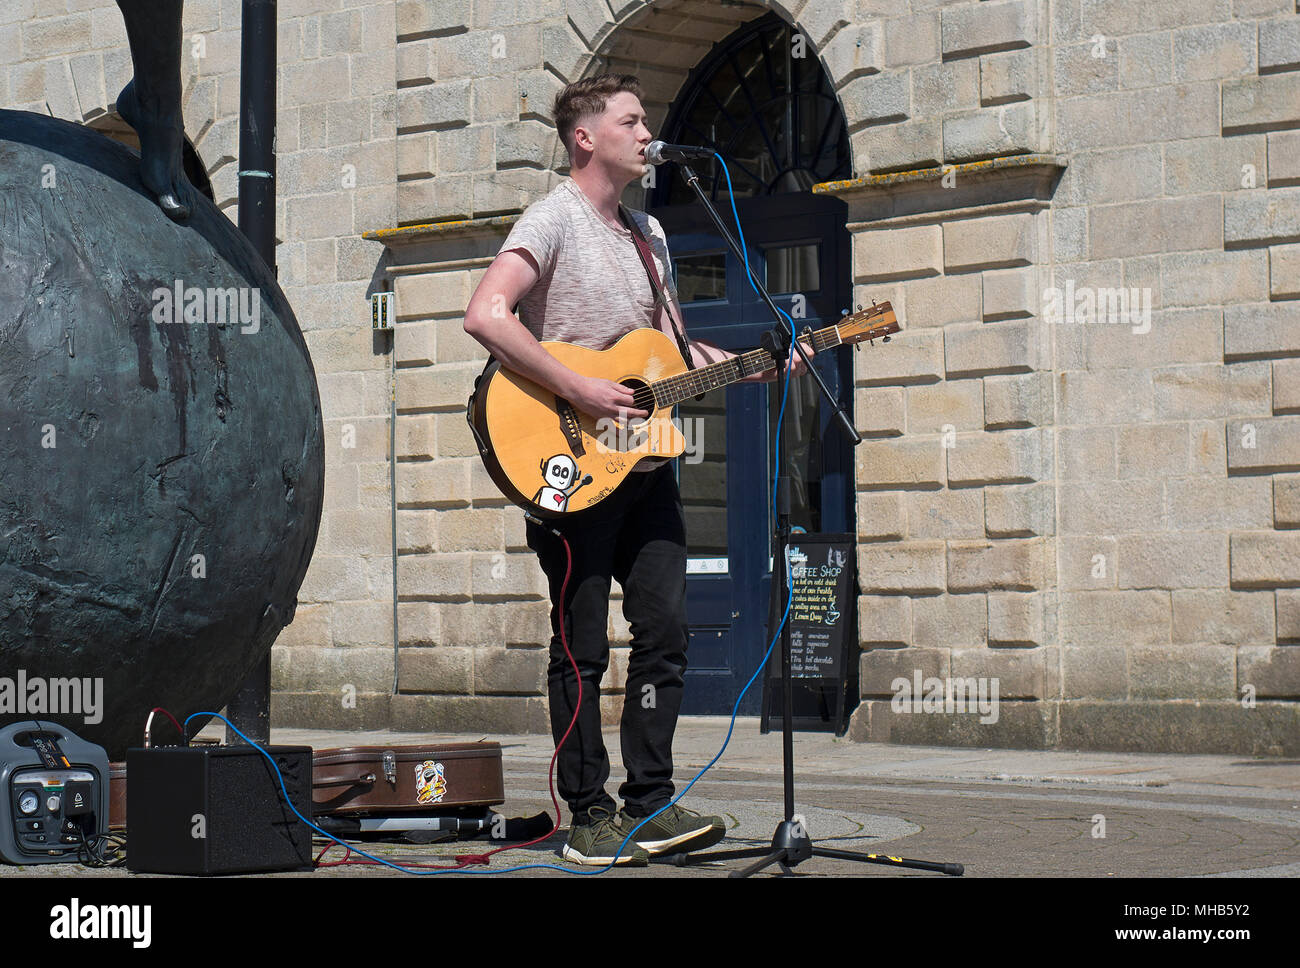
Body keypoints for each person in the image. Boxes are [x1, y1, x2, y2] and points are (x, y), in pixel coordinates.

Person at [463, 73, 810, 866]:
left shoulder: (650, 236)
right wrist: (579, 384)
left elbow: (677, 358)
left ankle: (649, 804)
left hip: (645, 465)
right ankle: (587, 813)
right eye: (633, 119)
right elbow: (485, 313)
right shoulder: (552, 218)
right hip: (565, 460)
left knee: (665, 632)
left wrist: (757, 364)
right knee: (581, 646)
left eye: (647, 118)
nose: (647, 130)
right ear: (586, 137)